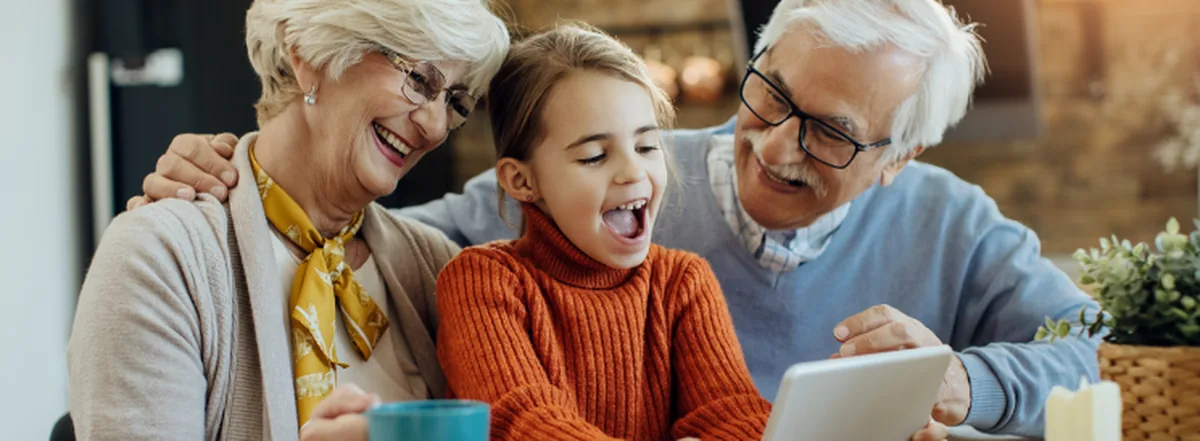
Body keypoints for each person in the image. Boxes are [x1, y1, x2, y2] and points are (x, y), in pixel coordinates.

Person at [130, 0, 1102, 437]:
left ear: (901, 158)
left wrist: (957, 382)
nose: (770, 145)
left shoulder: (953, 222)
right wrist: (240, 173)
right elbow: (358, 223)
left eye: (832, 136)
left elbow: (1088, 346)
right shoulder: (518, 234)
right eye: (767, 96)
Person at [66, 0, 508, 440]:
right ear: (309, 56)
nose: (434, 127)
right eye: (418, 79)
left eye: (455, 101)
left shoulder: (438, 267)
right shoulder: (160, 261)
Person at [434, 24, 783, 441]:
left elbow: (735, 415)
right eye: (595, 156)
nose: (634, 171)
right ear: (522, 181)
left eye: (647, 147)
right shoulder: (481, 282)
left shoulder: (682, 283)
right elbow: (525, 421)